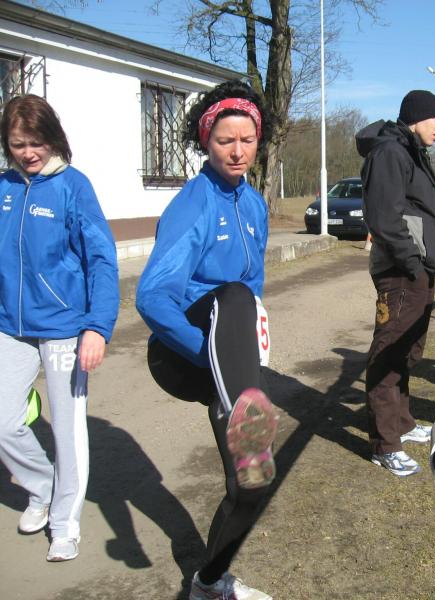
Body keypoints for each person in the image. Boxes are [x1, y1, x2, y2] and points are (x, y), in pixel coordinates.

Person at [136, 80, 278, 600]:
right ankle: (244, 407)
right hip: (180, 353)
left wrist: (246, 348)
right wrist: (210, 353)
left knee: (253, 483)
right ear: (205, 141)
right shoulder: (192, 206)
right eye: (225, 141)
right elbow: (152, 297)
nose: (238, 151)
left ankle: (210, 582)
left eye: (247, 140)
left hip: (228, 353)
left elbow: (254, 294)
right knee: (233, 294)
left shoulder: (255, 205)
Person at [0, 94, 119, 561]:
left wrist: (97, 327)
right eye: (17, 145)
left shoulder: (74, 186)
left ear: (53, 138)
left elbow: (102, 260)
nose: (28, 153)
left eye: (36, 142)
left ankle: (64, 523)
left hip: (65, 327)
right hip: (10, 325)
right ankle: (42, 486)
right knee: (3, 421)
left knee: (67, 432)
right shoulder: (5, 187)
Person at [354, 90, 435, 477]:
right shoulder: (391, 152)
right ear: (417, 117)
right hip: (401, 271)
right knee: (389, 351)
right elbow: (384, 217)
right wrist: (411, 262)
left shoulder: (411, 151)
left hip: (417, 269)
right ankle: (385, 444)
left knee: (408, 350)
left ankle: (402, 423)